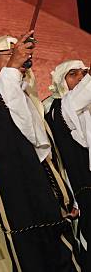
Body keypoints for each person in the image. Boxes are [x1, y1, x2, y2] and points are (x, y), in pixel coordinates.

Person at [0, 33, 80, 271]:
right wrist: (11, 69)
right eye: (11, 54)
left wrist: (62, 193)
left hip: (41, 190)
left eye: (22, 55)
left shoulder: (28, 98)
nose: (20, 59)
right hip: (13, 194)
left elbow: (43, 153)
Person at [44, 59, 91, 270]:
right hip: (81, 191)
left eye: (84, 73)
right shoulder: (59, 108)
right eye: (73, 74)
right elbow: (79, 98)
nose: (81, 78)